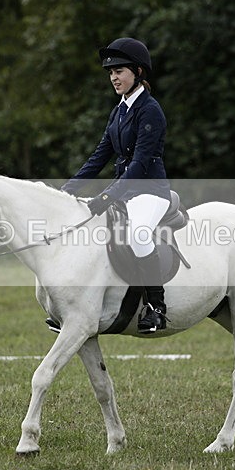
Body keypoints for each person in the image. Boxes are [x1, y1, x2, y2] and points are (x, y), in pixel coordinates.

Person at [61, 37, 171, 334]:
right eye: (110, 72)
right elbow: (99, 156)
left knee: (137, 235)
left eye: (119, 71)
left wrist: (108, 195)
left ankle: (156, 308)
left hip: (150, 192)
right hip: (125, 192)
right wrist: (67, 190)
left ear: (138, 72)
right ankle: (79, 309)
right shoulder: (119, 110)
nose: (113, 77)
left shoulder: (150, 110)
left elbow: (139, 164)